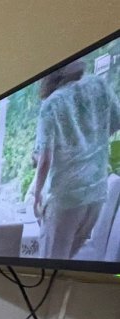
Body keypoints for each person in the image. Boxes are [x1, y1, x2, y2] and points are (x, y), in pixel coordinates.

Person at [33, 60, 120, 259]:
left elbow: (44, 159)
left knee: (50, 266)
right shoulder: (99, 85)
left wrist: (37, 195)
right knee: (67, 262)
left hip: (66, 198)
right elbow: (115, 123)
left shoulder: (52, 104)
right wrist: (91, 142)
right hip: (96, 194)